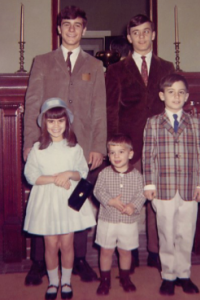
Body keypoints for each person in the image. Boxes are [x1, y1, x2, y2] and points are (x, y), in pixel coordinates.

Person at [23, 6, 106, 285]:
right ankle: (39, 263)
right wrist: (28, 143)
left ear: (84, 30)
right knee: (45, 202)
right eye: (66, 24)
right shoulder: (42, 61)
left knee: (75, 201)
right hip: (47, 142)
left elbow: (99, 109)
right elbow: (32, 103)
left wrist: (98, 146)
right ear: (59, 29)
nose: (72, 29)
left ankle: (79, 260)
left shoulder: (94, 66)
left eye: (77, 25)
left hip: (80, 147)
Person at [105, 14, 175, 270]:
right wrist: (114, 147)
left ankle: (157, 252)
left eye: (146, 31)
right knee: (129, 200)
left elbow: (174, 106)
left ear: (153, 34)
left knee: (158, 202)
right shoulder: (115, 70)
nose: (142, 37)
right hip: (129, 145)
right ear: (129, 37)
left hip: (161, 146)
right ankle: (128, 250)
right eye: (136, 33)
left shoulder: (167, 68)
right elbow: (111, 109)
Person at [142, 73, 200, 296]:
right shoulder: (153, 123)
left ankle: (184, 274)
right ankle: (168, 275)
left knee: (185, 233)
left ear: (187, 96)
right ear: (162, 95)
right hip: (163, 188)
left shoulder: (195, 122)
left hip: (190, 187)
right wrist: (149, 184)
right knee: (166, 234)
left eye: (181, 92)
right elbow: (148, 156)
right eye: (171, 92)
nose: (176, 96)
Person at [23, 98, 96, 299]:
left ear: (67, 123)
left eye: (60, 121)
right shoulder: (37, 149)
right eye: (51, 121)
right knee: (51, 245)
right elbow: (31, 176)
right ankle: (53, 282)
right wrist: (56, 178)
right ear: (44, 123)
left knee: (66, 244)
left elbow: (81, 171)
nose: (56, 126)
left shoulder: (74, 148)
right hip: (46, 202)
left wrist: (68, 174)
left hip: (67, 201)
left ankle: (66, 281)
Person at [94, 134, 145, 295]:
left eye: (121, 152)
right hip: (107, 219)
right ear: (108, 155)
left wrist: (133, 205)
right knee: (106, 250)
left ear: (130, 154)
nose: (116, 156)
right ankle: (105, 280)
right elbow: (98, 191)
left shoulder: (137, 175)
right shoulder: (104, 174)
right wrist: (110, 201)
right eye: (112, 152)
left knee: (125, 250)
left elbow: (141, 193)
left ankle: (125, 277)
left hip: (128, 221)